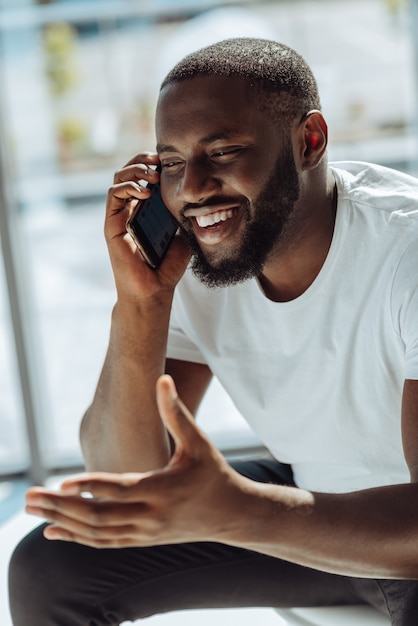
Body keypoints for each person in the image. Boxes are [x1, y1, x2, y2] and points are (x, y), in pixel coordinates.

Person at [8, 37, 418, 626]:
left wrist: (240, 513)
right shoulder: (201, 257)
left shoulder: (404, 253)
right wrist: (139, 304)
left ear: (310, 141)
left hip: (399, 533)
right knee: (50, 567)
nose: (193, 190)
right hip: (311, 497)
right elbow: (127, 479)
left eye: (222, 151)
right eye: (171, 162)